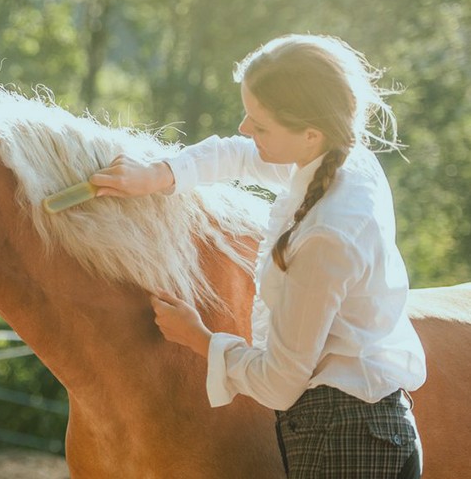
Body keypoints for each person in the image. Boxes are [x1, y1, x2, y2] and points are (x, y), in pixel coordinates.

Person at [90, 34, 426, 478]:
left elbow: (281, 382)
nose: (246, 128)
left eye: (260, 124)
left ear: (310, 133)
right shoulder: (341, 157)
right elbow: (237, 154)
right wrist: (158, 174)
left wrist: (200, 339)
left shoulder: (328, 235)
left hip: (345, 440)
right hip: (359, 431)